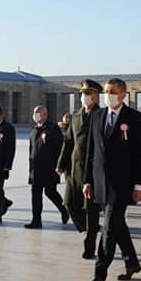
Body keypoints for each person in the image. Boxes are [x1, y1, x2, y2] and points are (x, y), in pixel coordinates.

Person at [84, 78, 141, 281]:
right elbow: (90, 152)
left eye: (112, 91)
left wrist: (140, 184)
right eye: (107, 91)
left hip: (122, 183)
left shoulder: (135, 119)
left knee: (109, 227)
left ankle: (100, 274)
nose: (108, 94)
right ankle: (132, 262)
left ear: (123, 95)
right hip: (100, 181)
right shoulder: (97, 116)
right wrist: (87, 180)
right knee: (117, 225)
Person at [58, 80, 103, 259]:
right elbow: (68, 141)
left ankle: (89, 246)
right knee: (69, 203)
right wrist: (61, 163)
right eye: (82, 93)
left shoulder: (100, 115)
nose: (84, 96)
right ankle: (86, 230)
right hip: (74, 169)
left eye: (88, 93)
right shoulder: (76, 116)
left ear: (95, 96)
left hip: (92, 170)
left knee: (91, 210)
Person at [26, 106, 67, 228]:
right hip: (35, 169)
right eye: (34, 113)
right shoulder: (34, 130)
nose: (35, 115)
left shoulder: (52, 129)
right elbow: (31, 150)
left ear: (45, 115)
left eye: (38, 113)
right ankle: (36, 220)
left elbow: (60, 148)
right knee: (35, 195)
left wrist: (60, 166)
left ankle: (64, 209)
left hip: (49, 168)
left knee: (50, 192)